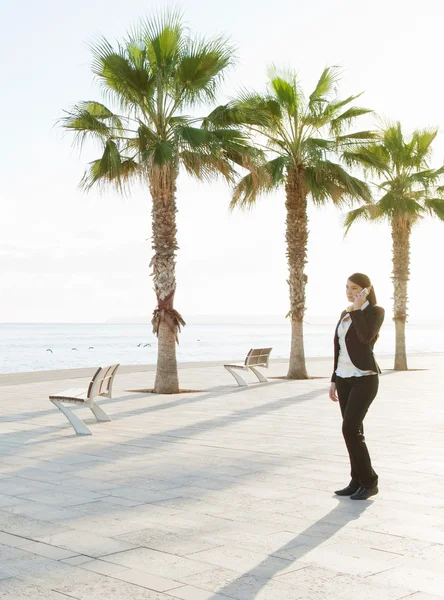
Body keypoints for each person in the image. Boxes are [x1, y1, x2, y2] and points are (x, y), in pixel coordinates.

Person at [329, 273, 385, 500]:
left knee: (350, 429)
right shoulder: (345, 312)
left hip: (365, 378)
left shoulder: (375, 312)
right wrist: (333, 378)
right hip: (343, 378)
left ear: (366, 289)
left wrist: (357, 309)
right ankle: (357, 479)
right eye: (347, 287)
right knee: (353, 431)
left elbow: (365, 339)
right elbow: (339, 347)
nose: (349, 291)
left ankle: (370, 482)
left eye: (355, 288)